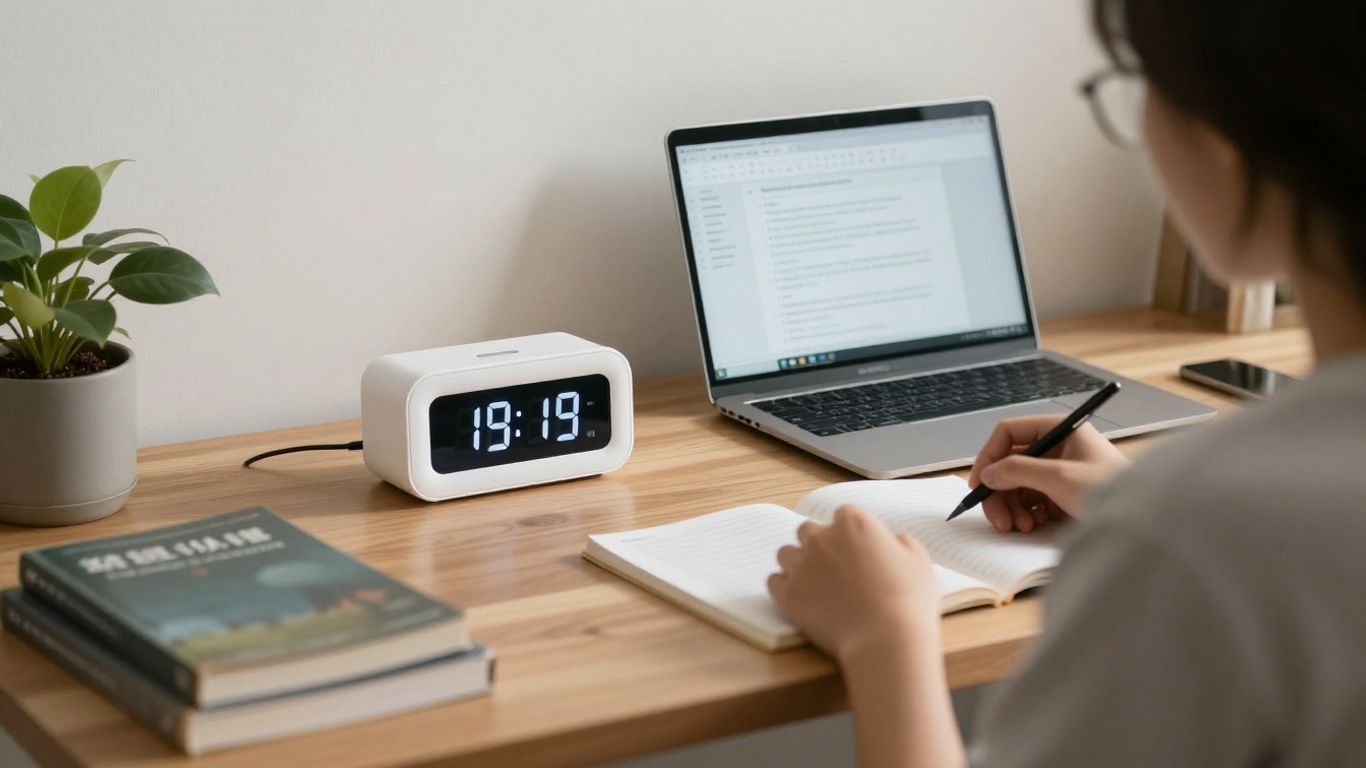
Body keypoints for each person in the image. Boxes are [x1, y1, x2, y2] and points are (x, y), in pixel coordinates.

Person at [766, 0, 1366, 765]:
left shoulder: (1204, 531)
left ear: (1225, 146)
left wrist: (884, 634)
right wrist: (1133, 509)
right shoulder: (1202, 524)